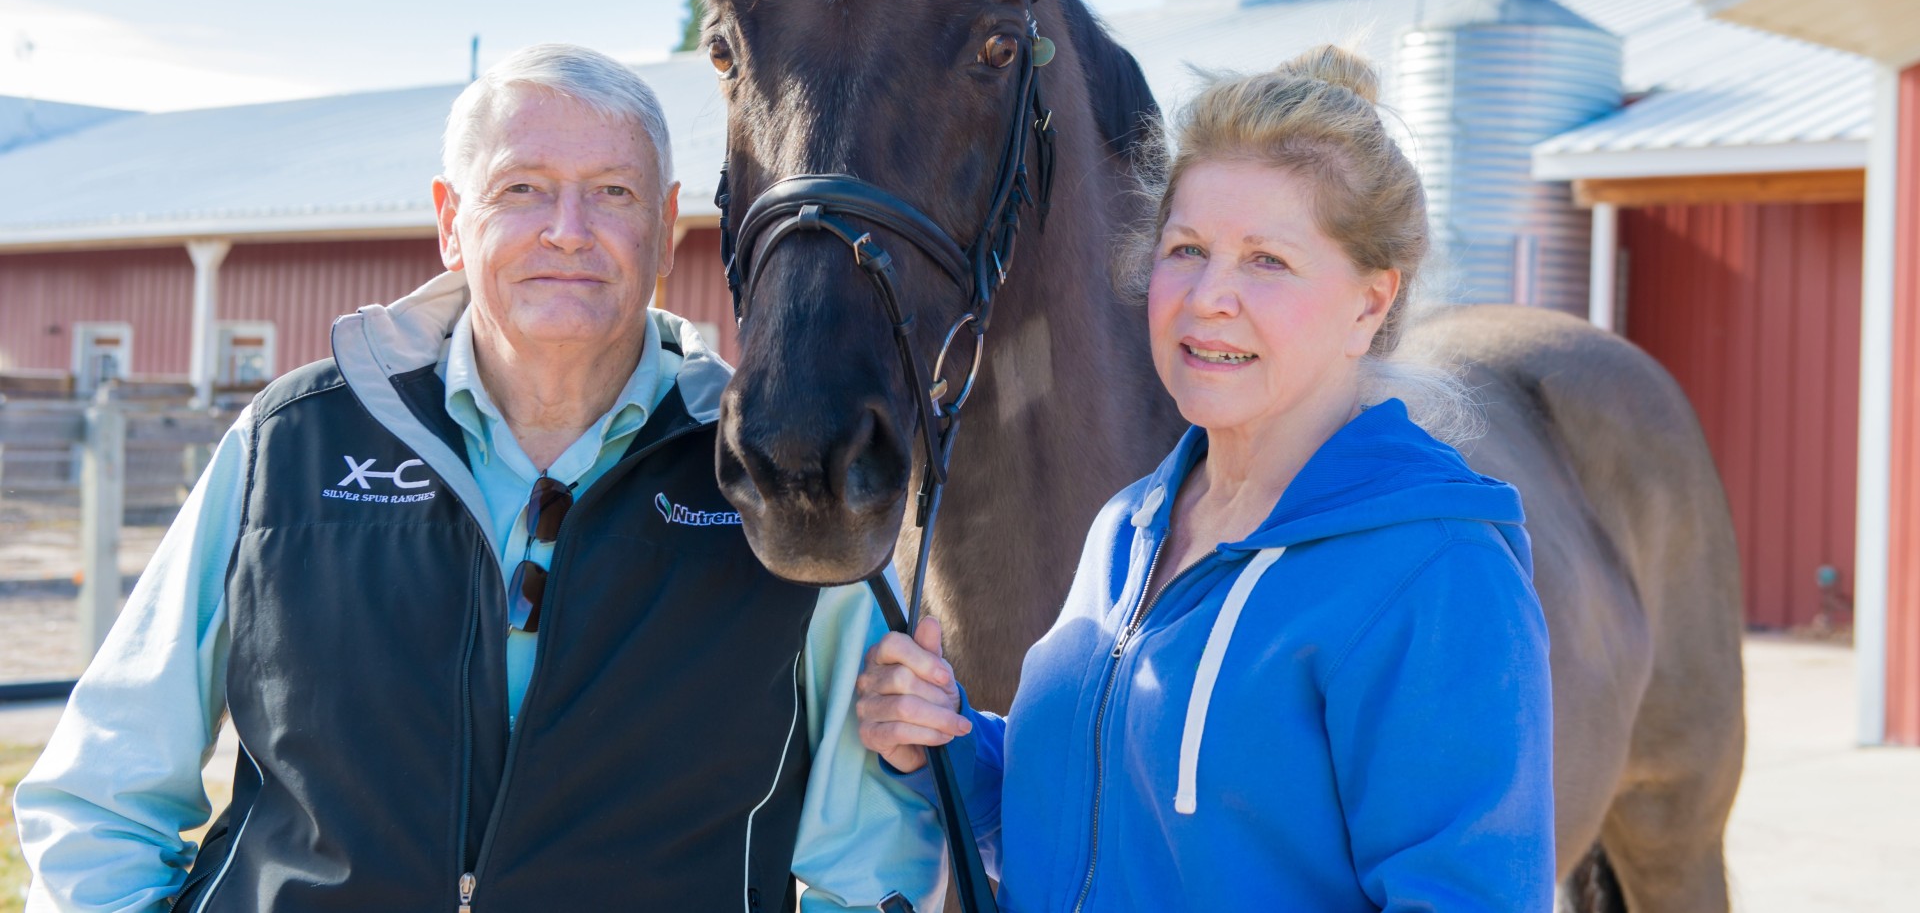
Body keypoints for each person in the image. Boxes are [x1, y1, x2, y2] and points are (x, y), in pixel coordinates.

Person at [17, 46, 947, 912]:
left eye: (612, 193)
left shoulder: (775, 474)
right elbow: (102, 793)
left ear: (667, 230)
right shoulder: (292, 444)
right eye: (522, 189)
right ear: (451, 222)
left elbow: (866, 861)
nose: (568, 232)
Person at [855, 46, 1555, 910]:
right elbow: (1096, 818)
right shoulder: (1129, 524)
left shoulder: (1437, 573)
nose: (1207, 296)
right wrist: (948, 739)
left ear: (1371, 303)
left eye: (1268, 260)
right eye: (1186, 249)